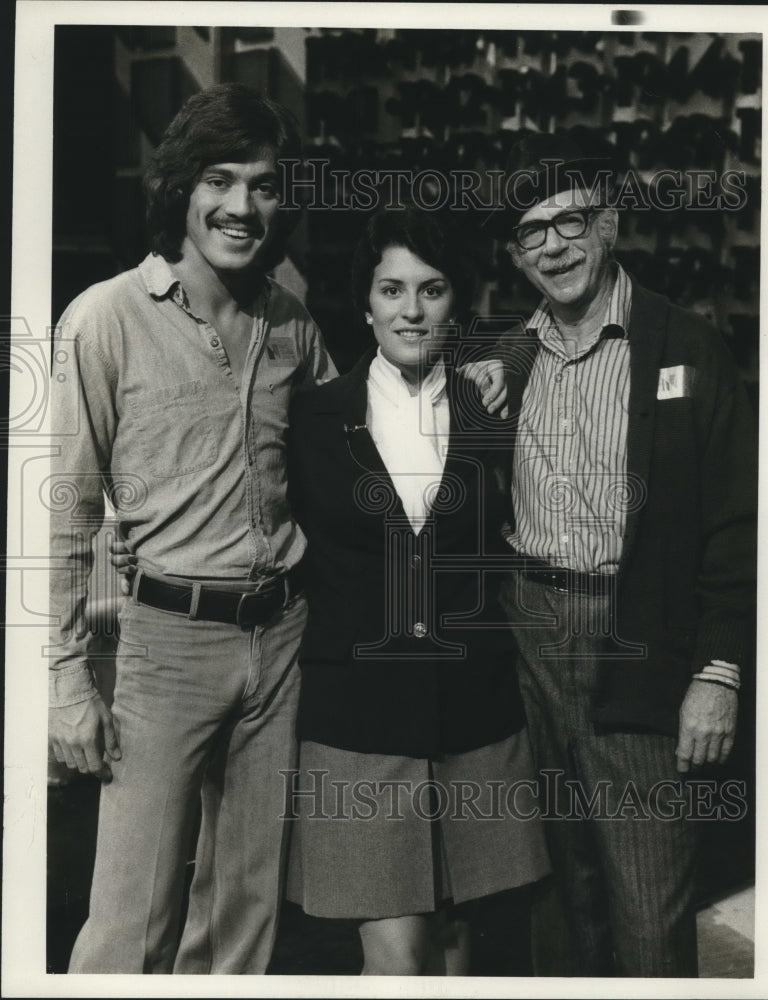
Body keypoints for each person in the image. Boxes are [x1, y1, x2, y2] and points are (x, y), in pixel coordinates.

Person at [47, 83, 339, 974]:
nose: (242, 207)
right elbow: (63, 513)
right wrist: (63, 682)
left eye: (262, 184)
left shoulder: (291, 322)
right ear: (180, 187)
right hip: (166, 646)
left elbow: (346, 459)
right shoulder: (106, 318)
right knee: (129, 923)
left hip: (281, 637)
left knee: (242, 915)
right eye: (221, 179)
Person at [483, 132, 757, 977]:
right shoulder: (504, 359)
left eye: (571, 220)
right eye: (533, 232)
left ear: (609, 223)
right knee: (557, 895)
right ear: (516, 255)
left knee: (647, 897)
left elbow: (737, 524)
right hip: (525, 632)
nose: (554, 245)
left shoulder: (684, 345)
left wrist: (716, 672)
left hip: (633, 633)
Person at [282, 206, 551, 975]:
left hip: (474, 716)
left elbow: (553, 339)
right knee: (398, 962)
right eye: (391, 290)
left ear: (456, 303)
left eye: (431, 291)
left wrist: (508, 363)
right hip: (356, 726)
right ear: (364, 304)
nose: (410, 309)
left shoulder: (489, 410)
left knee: (460, 955)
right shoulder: (311, 418)